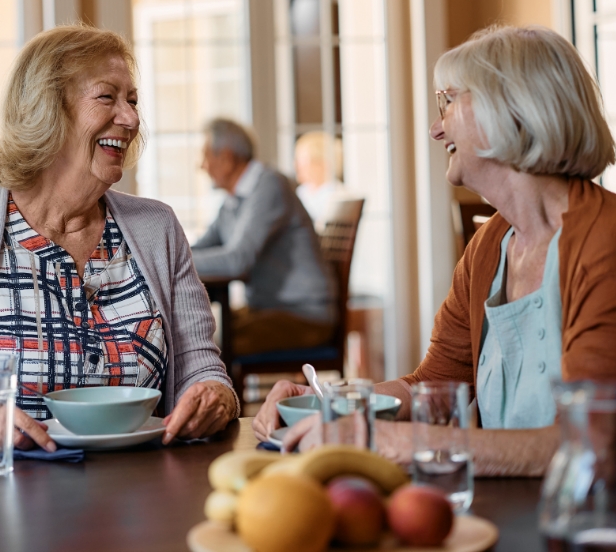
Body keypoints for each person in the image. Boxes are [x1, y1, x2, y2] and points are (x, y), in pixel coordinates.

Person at [253, 24, 616, 476]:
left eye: (448, 100)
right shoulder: (491, 245)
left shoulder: (605, 241)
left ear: (512, 110)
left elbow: (590, 441)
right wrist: (331, 405)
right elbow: (436, 383)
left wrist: (394, 441)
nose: (434, 127)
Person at [0, 24, 238, 451]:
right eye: (107, 97)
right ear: (48, 109)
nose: (132, 118)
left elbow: (202, 368)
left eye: (132, 101)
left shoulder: (158, 229)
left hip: (146, 493)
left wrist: (214, 395)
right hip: (8, 492)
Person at [191, 118, 336, 356]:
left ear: (226, 158)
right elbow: (202, 247)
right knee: (194, 334)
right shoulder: (234, 200)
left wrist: (173, 261)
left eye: (206, 156)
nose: (202, 165)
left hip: (304, 316)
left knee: (206, 346)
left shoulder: (269, 186)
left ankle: (219, 395)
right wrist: (171, 254)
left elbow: (237, 261)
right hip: (268, 310)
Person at [294, 131, 349, 232]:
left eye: (303, 161)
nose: (297, 166)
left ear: (322, 163)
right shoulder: (301, 192)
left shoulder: (339, 196)